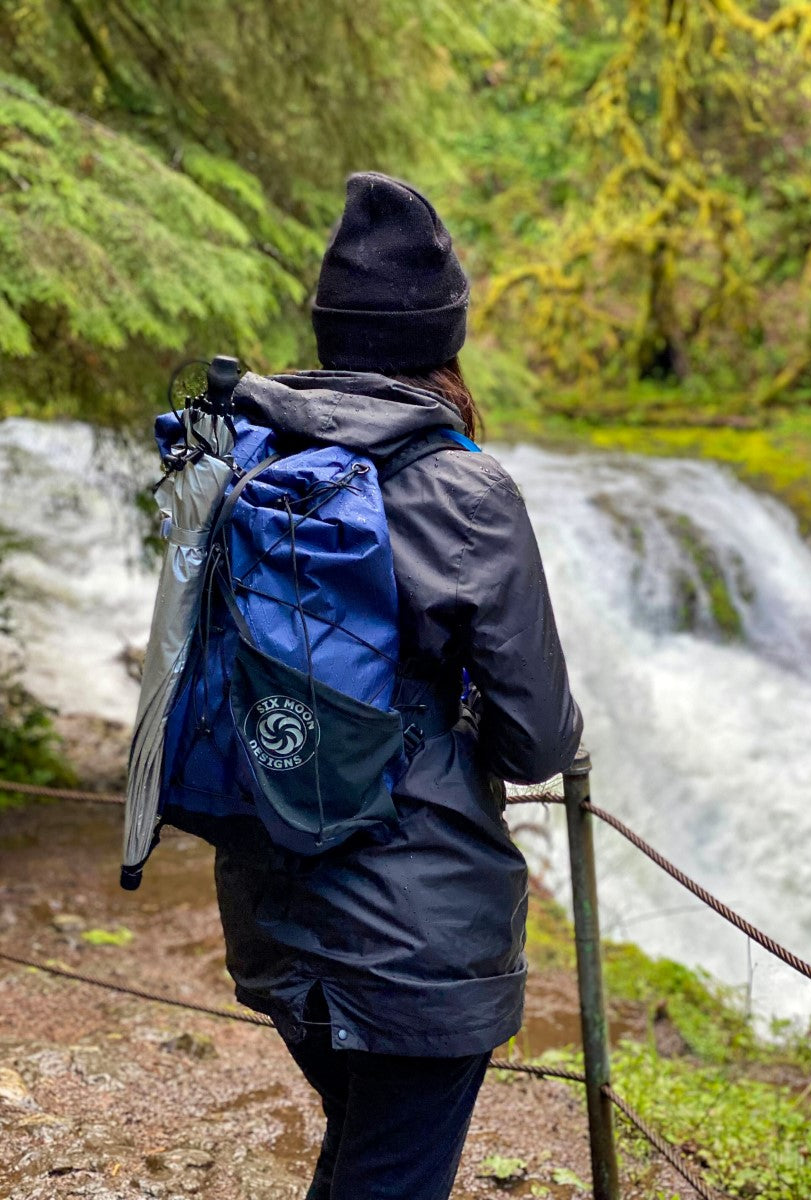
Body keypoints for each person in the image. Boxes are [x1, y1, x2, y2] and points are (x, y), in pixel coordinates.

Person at [214, 171, 582, 1200]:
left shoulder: (248, 458)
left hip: (273, 903)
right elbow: (538, 742)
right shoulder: (467, 490)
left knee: (367, 1158)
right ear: (444, 338)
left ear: (331, 333)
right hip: (419, 940)